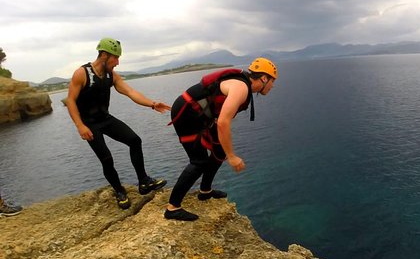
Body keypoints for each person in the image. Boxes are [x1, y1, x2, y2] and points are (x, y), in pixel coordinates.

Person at [165, 57, 278, 221]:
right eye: (272, 81)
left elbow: (220, 114)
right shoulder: (241, 87)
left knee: (219, 150)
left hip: (198, 113)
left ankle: (205, 191)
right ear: (264, 78)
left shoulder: (242, 84)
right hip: (187, 113)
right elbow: (224, 122)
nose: (273, 86)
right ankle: (172, 208)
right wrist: (232, 156)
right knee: (199, 162)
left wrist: (226, 149)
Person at [65, 38, 171, 210]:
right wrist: (80, 126)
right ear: (105, 55)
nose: (118, 62)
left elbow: (130, 91)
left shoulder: (111, 75)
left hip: (105, 119)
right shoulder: (82, 73)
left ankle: (143, 182)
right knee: (107, 159)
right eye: (115, 58)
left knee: (135, 140)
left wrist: (152, 104)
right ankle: (119, 191)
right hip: (89, 124)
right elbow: (70, 101)